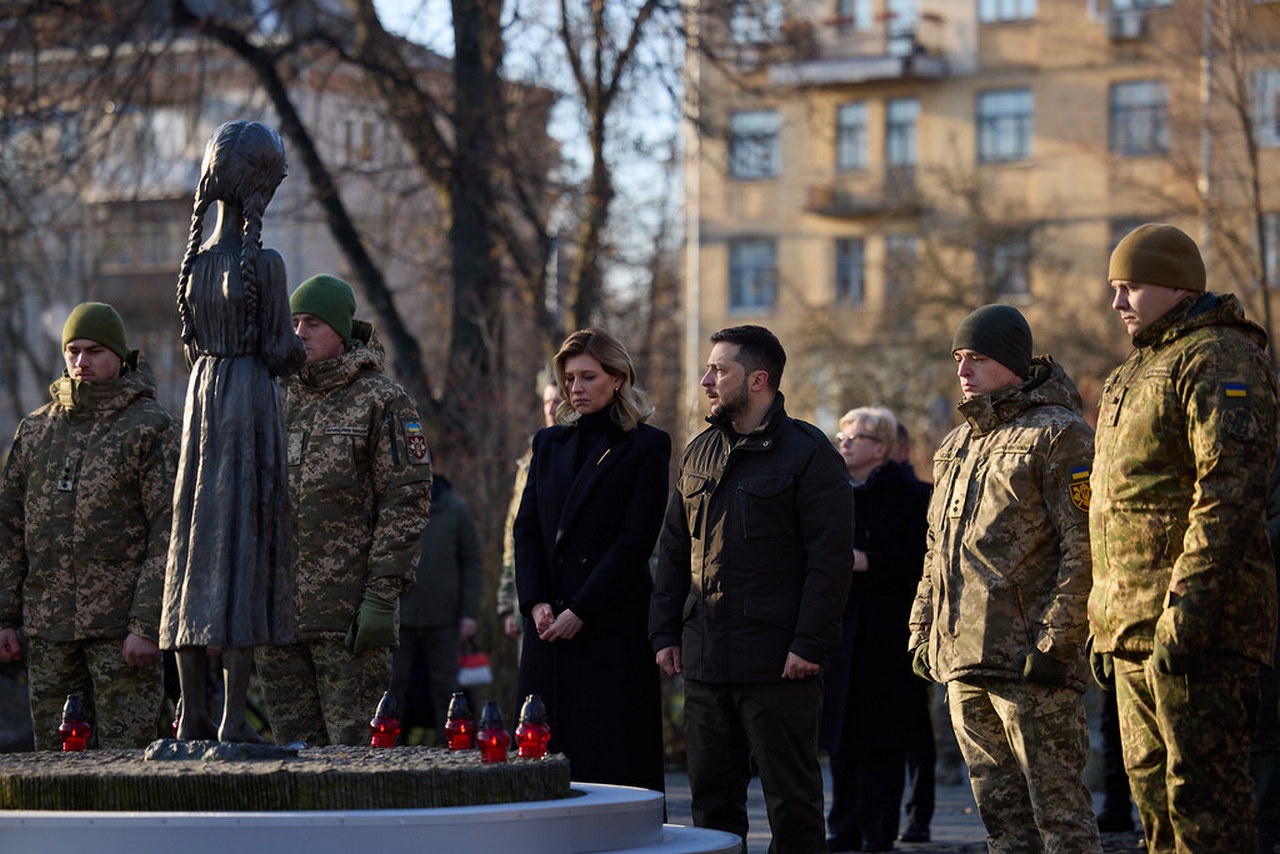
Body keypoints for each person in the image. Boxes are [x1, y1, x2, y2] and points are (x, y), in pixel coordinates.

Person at [1089, 223, 1279, 852]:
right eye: (1115, 288)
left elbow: (1230, 491)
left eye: (1131, 287)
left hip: (1199, 632)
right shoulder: (1131, 373)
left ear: (1177, 286)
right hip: (1132, 630)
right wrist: (1103, 618)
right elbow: (1115, 507)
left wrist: (1187, 615)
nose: (1117, 302)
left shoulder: (1220, 356)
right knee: (1153, 805)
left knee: (1205, 803)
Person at [651, 324, 854, 849]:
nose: (706, 380)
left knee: (792, 802)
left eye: (719, 370)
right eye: (708, 369)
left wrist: (809, 644)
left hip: (778, 663)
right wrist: (665, 633)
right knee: (712, 805)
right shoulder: (698, 453)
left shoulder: (809, 455)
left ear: (758, 379)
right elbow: (674, 549)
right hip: (705, 657)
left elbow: (829, 562)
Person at [908, 304, 1100, 853]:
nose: (964, 370)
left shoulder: (1061, 436)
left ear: (1013, 363)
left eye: (979, 357)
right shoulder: (955, 446)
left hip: (1029, 666)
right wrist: (923, 631)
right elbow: (936, 551)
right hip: (963, 660)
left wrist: (1055, 643)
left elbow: (1084, 548)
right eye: (959, 358)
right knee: (1003, 826)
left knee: (1061, 822)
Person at [161, 120, 306, 743]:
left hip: (202, 404)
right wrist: (299, 351)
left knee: (195, 554)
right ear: (256, 189)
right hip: (248, 404)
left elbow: (193, 346)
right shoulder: (266, 266)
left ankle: (191, 713)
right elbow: (279, 352)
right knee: (243, 551)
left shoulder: (193, 266)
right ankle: (230, 721)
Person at [255, 273, 432, 746]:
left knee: (354, 760)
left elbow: (407, 501)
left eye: (312, 323)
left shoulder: (383, 401)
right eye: (293, 322)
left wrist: (381, 596)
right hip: (279, 620)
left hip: (349, 621)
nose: (299, 334)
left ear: (341, 329)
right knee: (291, 759)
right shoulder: (276, 396)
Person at [0, 303, 178, 749]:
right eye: (73, 351)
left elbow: (170, 531)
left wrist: (147, 624)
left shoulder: (149, 427)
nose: (81, 362)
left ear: (118, 355)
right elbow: (8, 528)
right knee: (57, 767)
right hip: (49, 635)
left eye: (94, 351)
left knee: (126, 766)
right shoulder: (36, 430)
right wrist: (5, 617)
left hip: (121, 638)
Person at [514, 328, 670, 792]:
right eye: (568, 379)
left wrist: (581, 610)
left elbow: (635, 540)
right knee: (544, 756)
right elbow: (526, 530)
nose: (575, 388)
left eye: (588, 377)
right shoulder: (548, 443)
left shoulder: (645, 445)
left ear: (618, 379)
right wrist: (536, 602)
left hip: (608, 621)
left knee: (610, 759)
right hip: (548, 627)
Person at [820, 406, 930, 852]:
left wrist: (870, 562)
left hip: (888, 634)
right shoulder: (831, 492)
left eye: (857, 436)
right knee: (841, 736)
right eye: (842, 434)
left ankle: (877, 831)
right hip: (840, 632)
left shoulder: (911, 495)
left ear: (881, 448)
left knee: (881, 738)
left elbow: (924, 563)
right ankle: (842, 826)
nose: (844, 442)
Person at [392, 468, 482, 744]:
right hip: (399, 617)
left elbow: (471, 562)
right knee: (394, 690)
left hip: (445, 618)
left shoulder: (454, 510)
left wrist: (468, 614)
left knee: (448, 692)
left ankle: (453, 752)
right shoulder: (395, 506)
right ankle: (389, 753)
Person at [496, 382, 562, 645]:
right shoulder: (528, 461)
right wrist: (507, 601)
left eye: (557, 401)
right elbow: (514, 532)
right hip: (528, 597)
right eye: (547, 402)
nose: (551, 409)